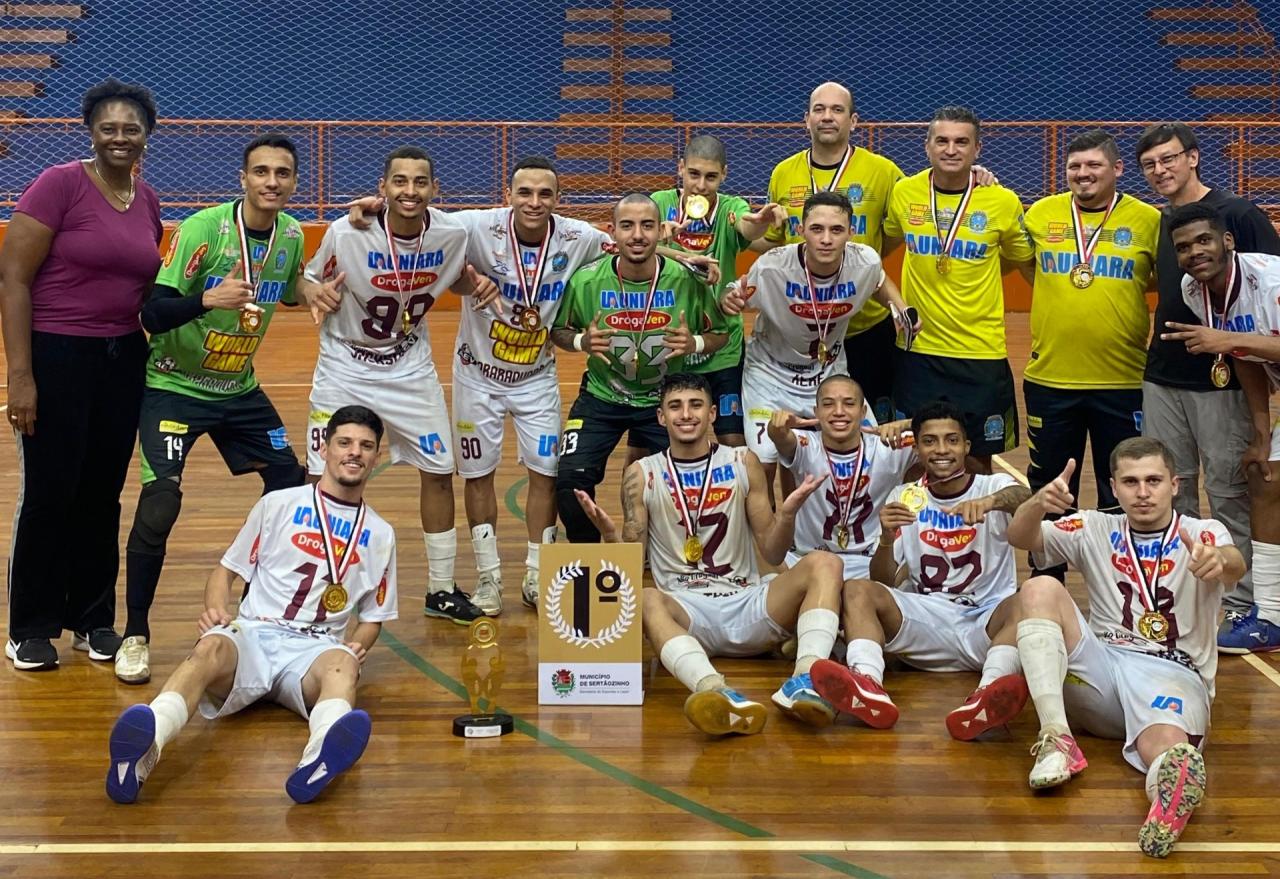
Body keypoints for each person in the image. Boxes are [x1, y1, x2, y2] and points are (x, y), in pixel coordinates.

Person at [104, 406, 398, 806]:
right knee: (208, 648)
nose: (355, 453)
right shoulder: (278, 504)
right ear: (324, 448)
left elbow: (373, 617)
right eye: (345, 442)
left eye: (366, 446)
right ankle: (144, 747)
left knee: (344, 665)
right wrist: (216, 611)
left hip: (314, 651)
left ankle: (318, 762)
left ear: (377, 457)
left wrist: (357, 645)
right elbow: (225, 572)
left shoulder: (381, 533)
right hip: (256, 634)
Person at [118, 134, 309, 685]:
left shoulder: (292, 234)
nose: (272, 182)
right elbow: (150, 312)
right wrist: (207, 298)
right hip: (175, 387)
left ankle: (255, 615)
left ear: (293, 182)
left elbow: (288, 286)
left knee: (290, 485)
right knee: (160, 502)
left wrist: (312, 289)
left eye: (282, 173)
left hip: (239, 390)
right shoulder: (203, 230)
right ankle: (135, 634)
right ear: (243, 178)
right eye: (262, 172)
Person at [1004, 437, 1244, 858]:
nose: (1143, 492)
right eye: (1131, 482)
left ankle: (1166, 799)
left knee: (1170, 748)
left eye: (1153, 480)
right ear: (1113, 487)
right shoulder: (1094, 526)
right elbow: (1020, 536)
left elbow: (1232, 559)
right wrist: (1037, 503)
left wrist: (1219, 561)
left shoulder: (1201, 532)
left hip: (1175, 671)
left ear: (1175, 483)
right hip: (1102, 671)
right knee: (1039, 586)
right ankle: (1056, 738)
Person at [575, 373, 846, 734]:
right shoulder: (642, 473)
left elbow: (772, 548)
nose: (686, 415)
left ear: (713, 413)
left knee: (826, 563)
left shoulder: (743, 460)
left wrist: (787, 515)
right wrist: (610, 536)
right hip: (688, 612)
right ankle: (715, 692)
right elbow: (628, 566)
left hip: (749, 602)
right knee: (645, 599)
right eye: (675, 406)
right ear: (660, 417)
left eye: (695, 405)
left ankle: (805, 680)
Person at [0, 78, 162, 672]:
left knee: (102, 495)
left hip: (123, 359)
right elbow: (13, 279)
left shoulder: (146, 198)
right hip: (58, 355)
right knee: (50, 491)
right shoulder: (59, 184)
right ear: (90, 131)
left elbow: (144, 287)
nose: (120, 137)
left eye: (131, 128)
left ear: (148, 133)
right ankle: (31, 626)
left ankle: (93, 620)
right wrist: (20, 375)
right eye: (108, 128)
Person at [301, 146, 498, 624]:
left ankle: (440, 588)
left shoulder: (453, 234)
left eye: (420, 182)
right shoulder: (348, 231)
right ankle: (313, 584)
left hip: (408, 364)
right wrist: (315, 291)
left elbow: (462, 278)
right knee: (319, 470)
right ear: (383, 188)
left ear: (435, 190)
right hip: (345, 362)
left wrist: (476, 286)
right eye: (400, 182)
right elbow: (308, 276)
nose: (410, 191)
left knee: (439, 465)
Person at [808, 401, 1031, 738]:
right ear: (917, 448)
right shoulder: (904, 496)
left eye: (952, 440)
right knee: (856, 589)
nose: (942, 450)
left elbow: (1025, 496)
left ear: (967, 446)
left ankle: (987, 693)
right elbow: (883, 581)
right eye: (929, 441)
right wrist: (885, 539)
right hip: (926, 621)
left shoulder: (992, 487)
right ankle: (868, 682)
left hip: (985, 624)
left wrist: (991, 503)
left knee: (1030, 599)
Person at [1137, 122, 1280, 641]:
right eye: (1150, 164)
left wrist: (1229, 347)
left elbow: (1254, 307)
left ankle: (1242, 598)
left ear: (1193, 157)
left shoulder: (1239, 214)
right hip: (1168, 376)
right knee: (1173, 489)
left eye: (1169, 159)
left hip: (1224, 385)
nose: (1161, 170)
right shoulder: (1159, 223)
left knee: (1231, 491)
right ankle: (1184, 584)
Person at [1020, 129, 1160, 579]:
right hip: (1051, 380)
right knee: (1049, 488)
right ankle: (1047, 586)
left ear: (1117, 169)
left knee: (1119, 491)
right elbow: (1024, 262)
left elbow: (1159, 279)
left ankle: (1121, 587)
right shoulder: (1041, 214)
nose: (1083, 174)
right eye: (1075, 166)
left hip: (1122, 383)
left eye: (1094, 165)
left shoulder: (1147, 220)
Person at [551, 194, 728, 543]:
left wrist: (693, 343)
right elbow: (559, 330)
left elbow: (720, 334)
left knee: (694, 481)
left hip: (664, 402)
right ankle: (587, 558)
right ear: (611, 231)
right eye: (627, 225)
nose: (637, 235)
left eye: (647, 225)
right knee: (570, 480)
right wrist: (581, 343)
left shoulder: (687, 280)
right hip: (602, 395)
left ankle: (669, 554)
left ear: (661, 231)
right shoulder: (586, 281)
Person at [721, 191, 914, 505]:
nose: (826, 239)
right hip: (770, 375)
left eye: (836, 230)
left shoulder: (863, 261)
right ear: (800, 230)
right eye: (817, 229)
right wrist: (729, 299)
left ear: (851, 233)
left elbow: (878, 282)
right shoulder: (772, 267)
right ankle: (766, 547)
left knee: (864, 449)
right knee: (763, 463)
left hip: (828, 372)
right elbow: (734, 294)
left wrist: (901, 307)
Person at [883, 106, 1035, 471]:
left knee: (978, 459)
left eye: (961, 142)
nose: (951, 149)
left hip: (980, 352)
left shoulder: (1002, 200)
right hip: (919, 351)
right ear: (927, 146)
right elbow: (876, 250)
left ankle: (977, 530)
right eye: (943, 141)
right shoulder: (904, 193)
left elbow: (1023, 258)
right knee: (915, 459)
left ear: (977, 149)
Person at [1161, 202, 1280, 651]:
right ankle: (1268, 615)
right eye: (1184, 247)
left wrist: (1227, 340)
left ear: (1227, 241)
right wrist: (1260, 433)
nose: (1195, 252)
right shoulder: (1196, 291)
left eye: (1204, 241)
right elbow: (1245, 360)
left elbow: (1232, 343)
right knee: (1264, 476)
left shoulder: (1271, 281)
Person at [761, 81, 905, 423]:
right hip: (801, 329)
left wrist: (974, 176)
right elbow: (772, 240)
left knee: (877, 431)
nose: (828, 117)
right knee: (800, 431)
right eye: (819, 110)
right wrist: (731, 229)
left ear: (853, 121)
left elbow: (911, 215)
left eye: (837, 110)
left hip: (865, 326)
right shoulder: (783, 172)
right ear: (806, 119)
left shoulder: (883, 172)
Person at [651, 134, 786, 447]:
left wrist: (761, 222)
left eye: (711, 177)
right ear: (680, 168)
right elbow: (633, 247)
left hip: (721, 344)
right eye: (694, 174)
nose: (700, 185)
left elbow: (747, 227)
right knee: (654, 443)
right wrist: (662, 242)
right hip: (673, 344)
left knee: (733, 439)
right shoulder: (659, 204)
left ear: (724, 175)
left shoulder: (731, 207)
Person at [768, 375, 917, 579]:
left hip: (871, 563)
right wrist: (776, 425)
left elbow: (948, 434)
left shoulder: (889, 445)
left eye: (849, 404)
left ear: (863, 411)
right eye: (828, 404)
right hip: (809, 560)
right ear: (816, 412)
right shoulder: (805, 444)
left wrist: (909, 424)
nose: (839, 412)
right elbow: (779, 436)